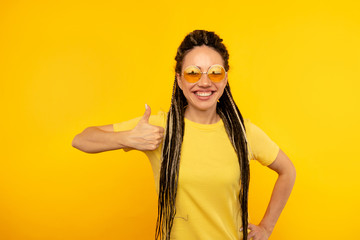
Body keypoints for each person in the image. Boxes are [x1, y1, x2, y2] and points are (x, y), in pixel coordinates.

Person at [72, 30, 296, 240]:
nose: (205, 82)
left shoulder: (244, 132)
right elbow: (81, 139)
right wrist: (126, 138)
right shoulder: (160, 128)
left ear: (225, 79)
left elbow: (287, 171)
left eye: (215, 73)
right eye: (193, 73)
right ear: (179, 79)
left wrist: (267, 227)